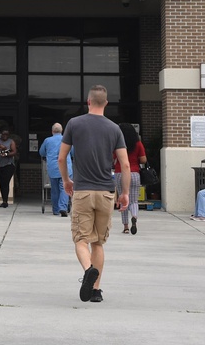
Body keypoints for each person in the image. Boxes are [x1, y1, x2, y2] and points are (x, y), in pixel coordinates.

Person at [58, 84, 129, 304]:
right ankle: (96, 291)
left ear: (88, 101)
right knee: (98, 242)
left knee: (81, 240)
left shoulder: (74, 124)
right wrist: (124, 193)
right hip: (106, 192)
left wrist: (67, 181)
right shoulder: (114, 129)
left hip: (83, 191)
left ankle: (89, 270)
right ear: (106, 103)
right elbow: (125, 165)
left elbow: (62, 158)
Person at [113, 123, 146, 234]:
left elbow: (112, 159)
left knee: (123, 199)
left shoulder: (117, 144)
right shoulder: (138, 144)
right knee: (133, 200)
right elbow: (143, 159)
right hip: (135, 173)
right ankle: (134, 217)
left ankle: (126, 227)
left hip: (120, 173)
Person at [39, 123, 72, 216]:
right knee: (65, 188)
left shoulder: (47, 140)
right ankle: (63, 207)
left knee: (54, 190)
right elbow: (73, 152)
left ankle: (56, 210)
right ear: (62, 131)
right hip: (66, 168)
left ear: (52, 131)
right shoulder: (67, 139)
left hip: (53, 168)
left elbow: (41, 152)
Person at [0, 127, 18, 208]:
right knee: (1, 183)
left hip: (8, 165)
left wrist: (6, 154)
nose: (5, 136)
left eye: (7, 134)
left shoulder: (11, 141)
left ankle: (5, 201)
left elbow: (14, 151)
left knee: (5, 182)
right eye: (3, 134)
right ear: (0, 134)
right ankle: (3, 199)